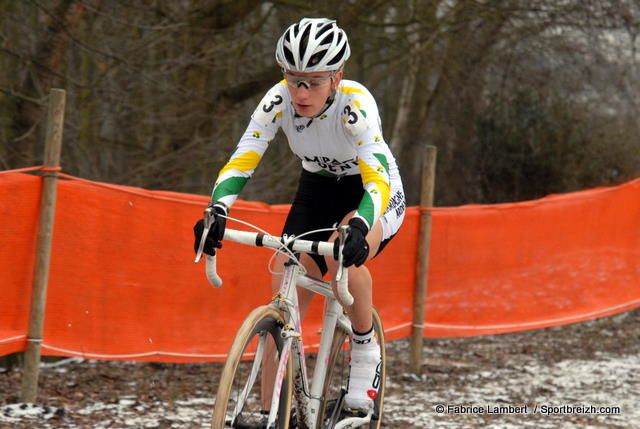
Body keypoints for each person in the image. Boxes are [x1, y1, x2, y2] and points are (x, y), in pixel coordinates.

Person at [194, 17, 405, 417]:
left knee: (347, 252)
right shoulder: (277, 101)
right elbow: (244, 158)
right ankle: (272, 412)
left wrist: (359, 225)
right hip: (317, 188)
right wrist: (217, 209)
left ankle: (364, 350)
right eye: (293, 80)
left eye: (313, 82)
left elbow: (376, 177)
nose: (301, 92)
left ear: (337, 77)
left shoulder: (355, 105)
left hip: (370, 191)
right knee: (284, 287)